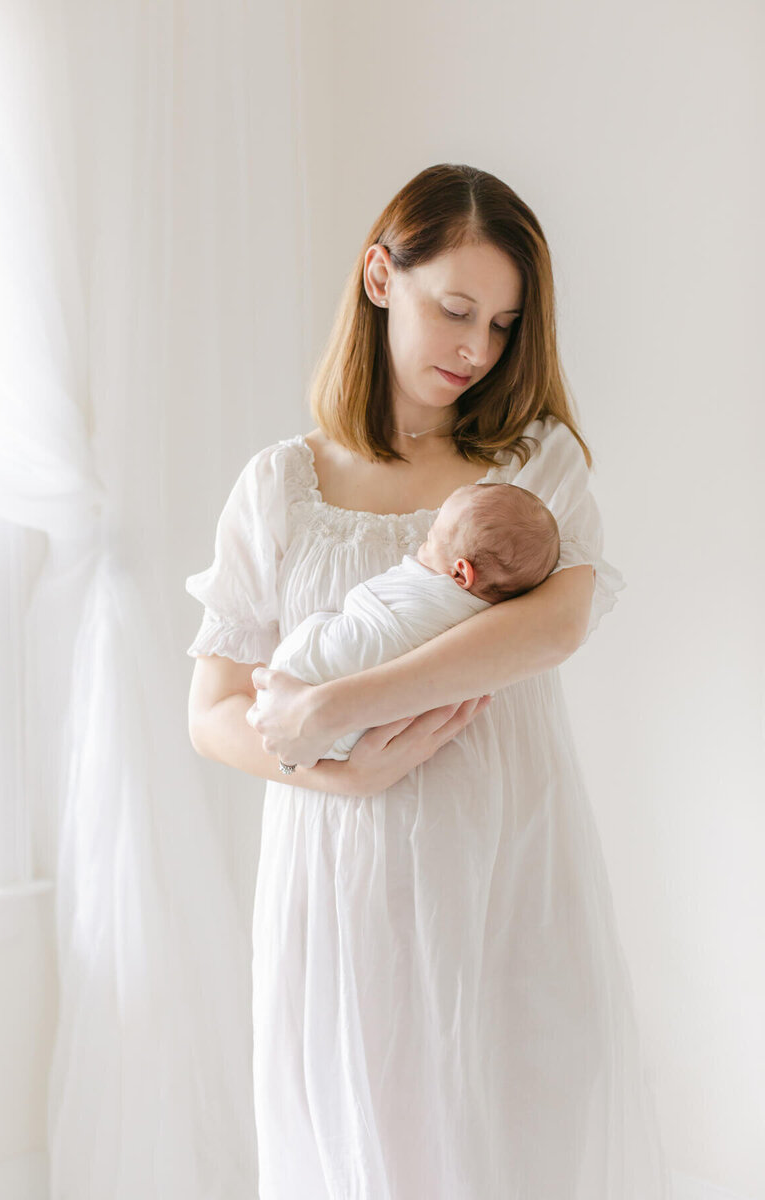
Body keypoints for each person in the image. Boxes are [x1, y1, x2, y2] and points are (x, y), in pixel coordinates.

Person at [185, 163, 672, 1199]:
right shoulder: (280, 487)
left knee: (521, 1135)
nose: (474, 349)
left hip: (508, 864)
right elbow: (213, 711)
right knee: (370, 1147)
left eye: (501, 325)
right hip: (341, 879)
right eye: (454, 309)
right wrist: (333, 771)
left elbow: (551, 626)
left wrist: (336, 706)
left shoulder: (532, 465)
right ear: (377, 276)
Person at [254, 481, 561, 761]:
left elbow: (366, 600)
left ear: (459, 573)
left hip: (302, 685)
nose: (420, 549)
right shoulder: (491, 625)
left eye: (429, 541)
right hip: (352, 736)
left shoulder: (434, 592)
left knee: (325, 628)